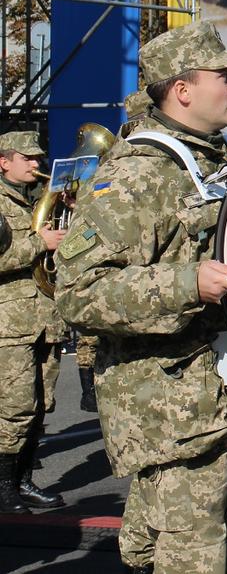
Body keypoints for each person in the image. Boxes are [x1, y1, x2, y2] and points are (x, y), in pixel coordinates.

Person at [55, 22, 227, 574]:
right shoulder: (136, 174)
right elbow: (79, 292)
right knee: (191, 561)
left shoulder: (216, 163)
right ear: (182, 89)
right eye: (224, 76)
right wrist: (188, 283)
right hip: (178, 418)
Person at [0, 130, 66, 513]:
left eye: (39, 158)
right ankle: (5, 487)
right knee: (14, 407)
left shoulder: (37, 201)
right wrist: (41, 242)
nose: (37, 165)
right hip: (10, 322)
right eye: (28, 158)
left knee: (42, 405)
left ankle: (24, 479)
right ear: (4, 161)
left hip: (44, 318)